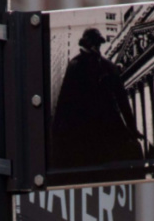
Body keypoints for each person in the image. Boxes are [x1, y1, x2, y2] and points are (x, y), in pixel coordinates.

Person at [50, 28, 146, 170]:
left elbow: (123, 100)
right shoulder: (75, 66)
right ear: (86, 45)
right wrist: (57, 134)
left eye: (98, 45)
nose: (96, 48)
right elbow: (64, 103)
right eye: (94, 44)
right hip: (84, 132)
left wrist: (132, 128)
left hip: (108, 130)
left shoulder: (108, 67)